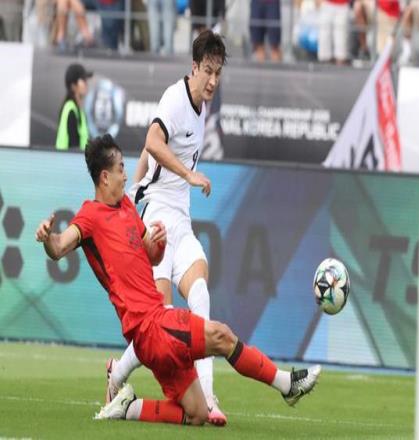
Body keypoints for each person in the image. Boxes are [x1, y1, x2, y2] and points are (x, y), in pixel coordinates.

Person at [35, 134, 322, 426]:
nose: (126, 175)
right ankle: (287, 384)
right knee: (221, 335)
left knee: (197, 413)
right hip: (150, 326)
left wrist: (158, 243)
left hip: (152, 332)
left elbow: (151, 255)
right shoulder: (90, 216)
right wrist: (48, 237)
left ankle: (129, 408)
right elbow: (58, 247)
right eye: (121, 169)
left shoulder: (128, 209)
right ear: (105, 177)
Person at [107, 28, 227, 427]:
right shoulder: (175, 99)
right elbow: (153, 141)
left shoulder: (202, 105)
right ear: (194, 67)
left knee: (201, 295)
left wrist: (135, 183)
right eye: (207, 70)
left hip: (181, 218)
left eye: (218, 73)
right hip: (158, 215)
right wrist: (181, 178)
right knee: (160, 321)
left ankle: (208, 396)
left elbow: (149, 152)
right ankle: (118, 373)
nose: (212, 80)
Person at [55, 63, 92, 151]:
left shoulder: (77, 109)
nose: (86, 83)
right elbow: (73, 149)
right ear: (73, 85)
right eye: (83, 80)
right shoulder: (70, 110)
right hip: (67, 159)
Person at [316, 0, 350, 65]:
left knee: (341, 34)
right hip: (327, 3)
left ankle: (340, 58)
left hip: (343, 4)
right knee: (324, 32)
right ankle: (324, 58)